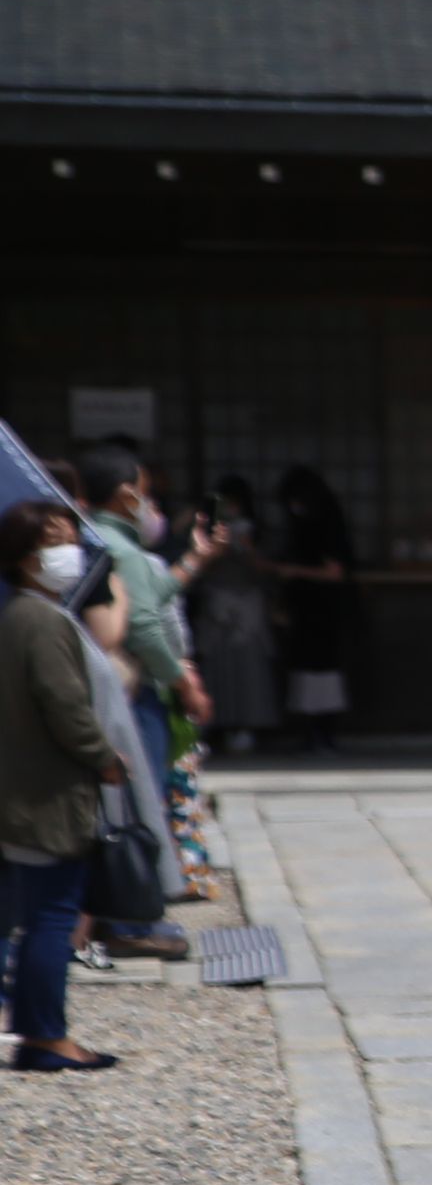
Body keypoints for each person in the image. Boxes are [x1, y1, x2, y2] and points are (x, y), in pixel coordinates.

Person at [1, 497, 124, 1070]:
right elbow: (66, 706)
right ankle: (47, 1035)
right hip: (49, 795)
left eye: (70, 536)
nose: (67, 549)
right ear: (25, 558)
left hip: (26, 792)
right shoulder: (42, 620)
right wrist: (103, 757)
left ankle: (38, 1032)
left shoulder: (20, 616)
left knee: (36, 916)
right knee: (54, 916)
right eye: (53, 540)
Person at [71, 445, 197, 960]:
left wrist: (194, 561)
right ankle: (127, 919)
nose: (150, 506)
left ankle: (115, 916)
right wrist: (184, 681)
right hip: (128, 692)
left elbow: (156, 595)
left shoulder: (102, 541)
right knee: (133, 806)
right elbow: (137, 626)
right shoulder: (116, 549)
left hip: (115, 691)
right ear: (127, 497)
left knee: (124, 804)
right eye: (145, 496)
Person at [176, 478, 278, 751]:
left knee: (248, 668)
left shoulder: (255, 530)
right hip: (216, 605)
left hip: (247, 607)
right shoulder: (206, 530)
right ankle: (211, 724)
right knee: (215, 667)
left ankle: (247, 725)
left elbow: (264, 568)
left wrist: (246, 547)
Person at [268, 465, 358, 749]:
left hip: (324, 609)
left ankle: (323, 731)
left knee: (322, 671)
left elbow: (335, 572)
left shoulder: (327, 524)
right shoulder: (307, 524)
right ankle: (312, 730)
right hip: (305, 609)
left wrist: (294, 571)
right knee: (307, 672)